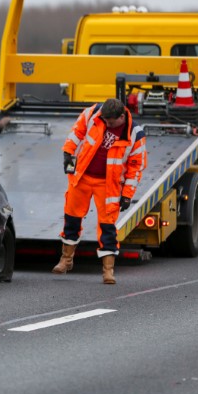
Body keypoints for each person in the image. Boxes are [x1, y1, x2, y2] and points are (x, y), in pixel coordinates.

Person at [53, 98, 147, 284]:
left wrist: (127, 195)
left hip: (108, 185)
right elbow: (77, 132)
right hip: (82, 177)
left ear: (121, 117)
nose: (107, 124)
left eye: (110, 122)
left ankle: (108, 271)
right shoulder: (94, 113)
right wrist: (68, 152)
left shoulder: (135, 134)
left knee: (107, 227)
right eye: (105, 120)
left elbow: (136, 167)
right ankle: (66, 261)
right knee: (71, 218)